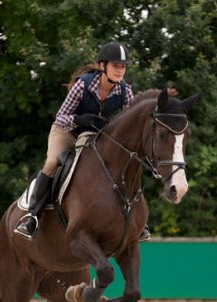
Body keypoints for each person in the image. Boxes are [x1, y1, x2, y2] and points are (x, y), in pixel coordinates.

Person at [14, 42, 150, 241]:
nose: (120, 71)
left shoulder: (124, 91)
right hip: (67, 131)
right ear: (103, 66)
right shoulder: (83, 85)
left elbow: (128, 122)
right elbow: (60, 117)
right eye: (116, 66)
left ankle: (139, 221)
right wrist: (79, 119)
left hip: (97, 137)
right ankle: (32, 216)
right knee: (53, 162)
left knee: (127, 162)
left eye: (123, 67)